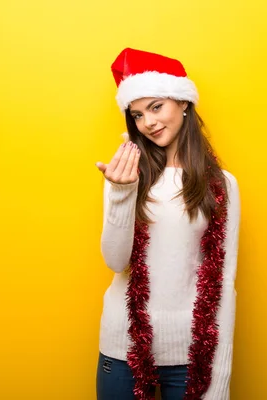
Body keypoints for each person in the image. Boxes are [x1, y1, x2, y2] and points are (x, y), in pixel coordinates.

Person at [94, 48, 241, 400]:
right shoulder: (126, 175)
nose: (148, 122)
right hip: (123, 350)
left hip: (192, 357)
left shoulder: (222, 184)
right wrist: (120, 192)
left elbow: (224, 281)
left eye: (156, 106)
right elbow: (116, 261)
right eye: (138, 114)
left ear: (183, 102)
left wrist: (219, 379)